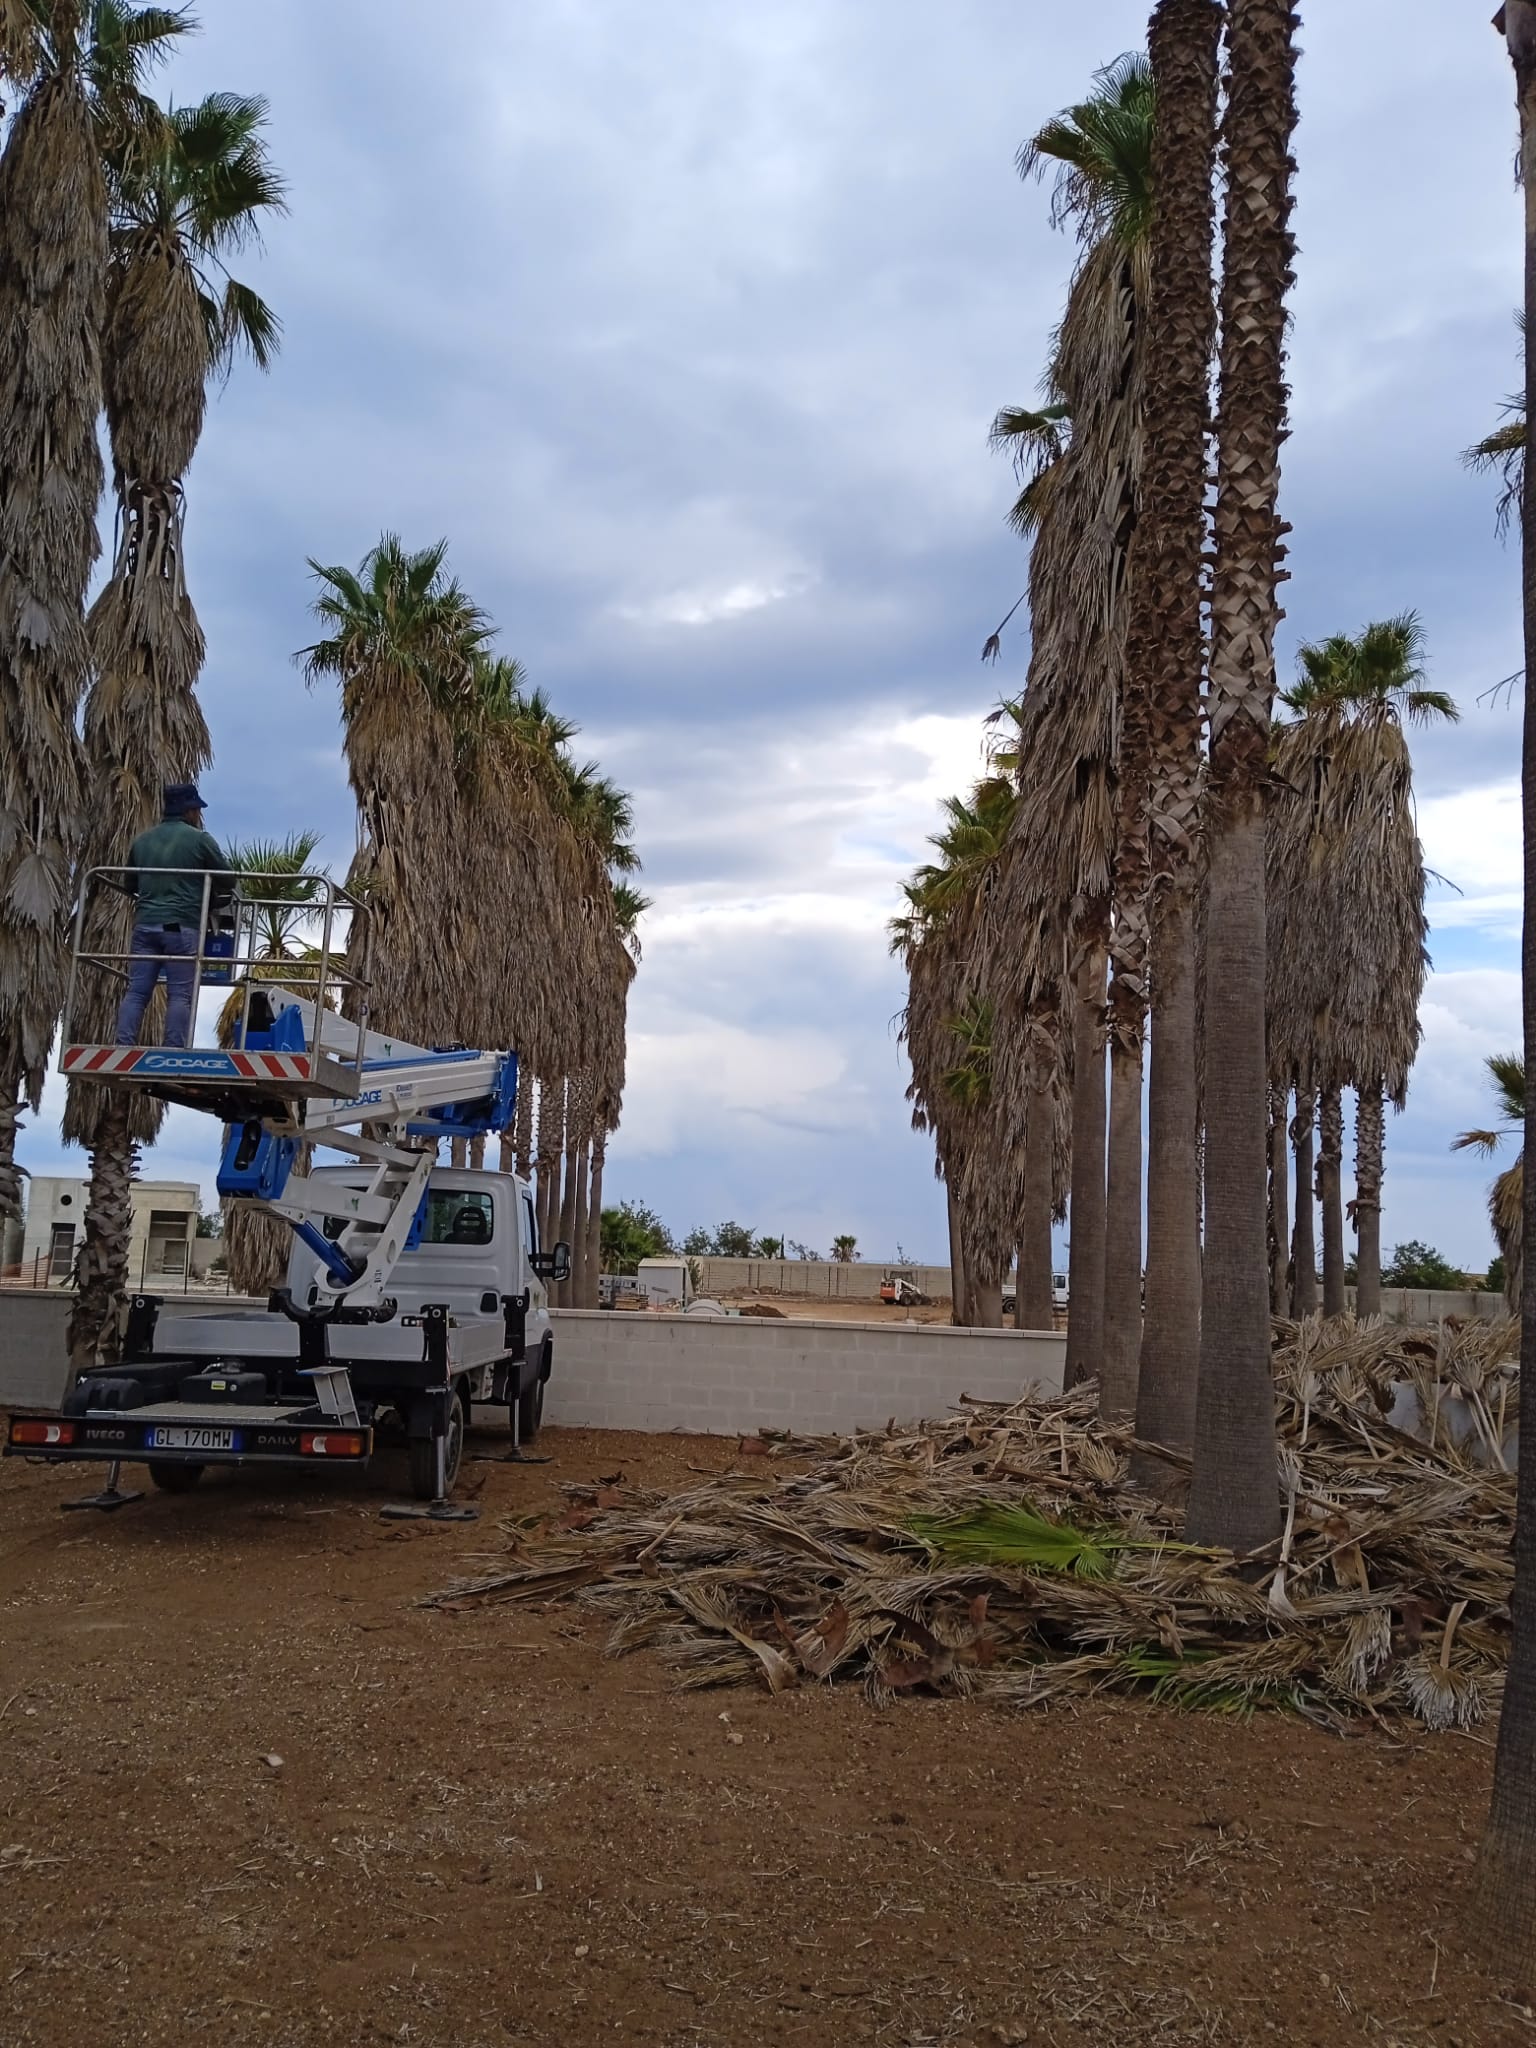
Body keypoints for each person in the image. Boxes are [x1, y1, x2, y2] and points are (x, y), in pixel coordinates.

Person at [113, 783, 234, 1049]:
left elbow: (130, 885)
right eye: (196, 810)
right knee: (180, 995)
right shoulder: (200, 839)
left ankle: (123, 1045)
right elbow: (228, 879)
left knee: (136, 992)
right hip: (181, 927)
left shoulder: (142, 840)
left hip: (145, 926)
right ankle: (173, 1049)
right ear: (189, 811)